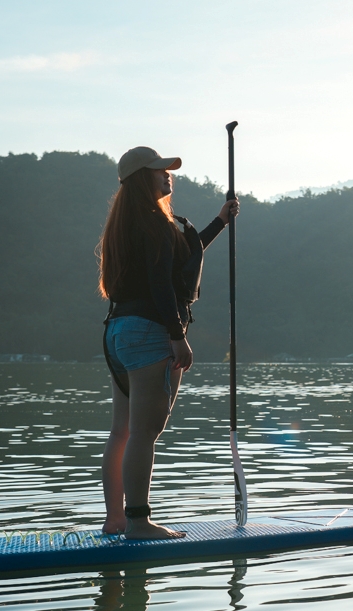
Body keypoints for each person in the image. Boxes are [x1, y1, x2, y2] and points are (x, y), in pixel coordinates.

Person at [97, 146, 239, 539]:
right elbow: (162, 286)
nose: (168, 175)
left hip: (117, 331)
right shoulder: (156, 225)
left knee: (121, 431)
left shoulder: (128, 224)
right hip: (150, 332)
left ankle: (116, 520)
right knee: (145, 433)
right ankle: (139, 523)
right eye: (159, 170)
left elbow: (179, 260)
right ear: (143, 178)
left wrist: (219, 222)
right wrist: (178, 338)